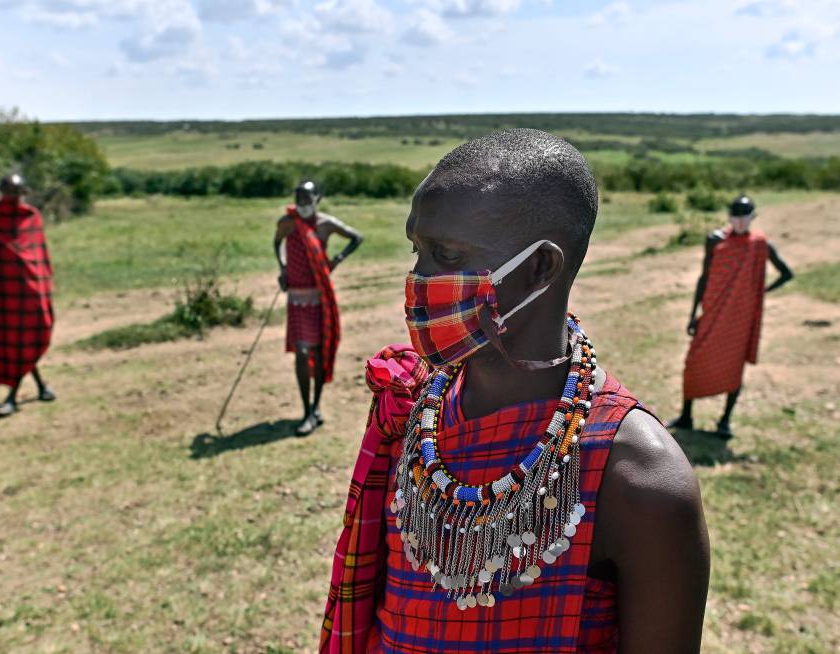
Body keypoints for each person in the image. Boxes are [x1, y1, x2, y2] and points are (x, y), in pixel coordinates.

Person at [320, 130, 710, 653]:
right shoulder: (416, 412)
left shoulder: (639, 479)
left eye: (447, 255)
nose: (418, 279)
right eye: (417, 251)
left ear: (539, 269)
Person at [669, 194, 792, 439]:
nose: (739, 222)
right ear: (729, 217)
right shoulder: (715, 240)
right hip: (712, 312)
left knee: (734, 368)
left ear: (752, 218)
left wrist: (759, 293)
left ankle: (724, 421)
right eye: (734, 217)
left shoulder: (760, 245)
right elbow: (704, 278)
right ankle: (686, 416)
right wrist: (694, 313)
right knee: (694, 362)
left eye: (744, 217)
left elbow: (786, 273)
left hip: (740, 318)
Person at [274, 181, 362, 436]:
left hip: (320, 297)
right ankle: (306, 412)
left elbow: (357, 237)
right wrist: (283, 269)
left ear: (317, 198)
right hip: (297, 299)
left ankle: (316, 407)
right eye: (297, 197)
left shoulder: (326, 224)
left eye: (306, 198)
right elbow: (276, 243)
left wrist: (337, 260)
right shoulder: (287, 223)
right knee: (302, 351)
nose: (301, 203)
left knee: (320, 351)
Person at [0, 174, 56, 418]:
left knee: (30, 333)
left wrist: (43, 282)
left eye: (17, 193)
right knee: (15, 338)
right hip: (5, 289)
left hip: (32, 288)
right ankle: (14, 396)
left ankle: (40, 387)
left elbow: (39, 254)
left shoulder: (31, 216)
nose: (13, 197)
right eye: (9, 192)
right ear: (1, 192)